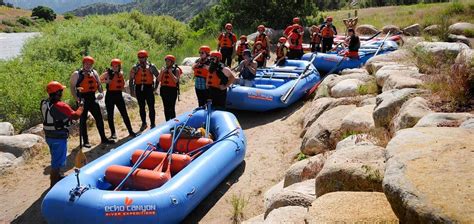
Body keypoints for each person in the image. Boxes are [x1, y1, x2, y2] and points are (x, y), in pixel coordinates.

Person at [42, 81, 83, 187]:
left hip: (49, 136)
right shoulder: (61, 105)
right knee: (56, 162)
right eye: (61, 91)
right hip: (58, 137)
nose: (62, 93)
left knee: (56, 158)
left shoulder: (44, 103)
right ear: (57, 93)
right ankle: (53, 184)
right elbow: (75, 116)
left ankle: (58, 176)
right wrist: (81, 107)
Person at [70, 56, 114, 148]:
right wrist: (76, 98)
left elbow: (98, 84)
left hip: (92, 98)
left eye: (90, 64)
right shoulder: (76, 74)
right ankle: (85, 141)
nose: (88, 66)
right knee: (83, 121)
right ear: (83, 64)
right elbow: (72, 87)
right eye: (86, 64)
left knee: (99, 118)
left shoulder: (94, 72)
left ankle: (103, 138)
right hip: (82, 99)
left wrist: (101, 92)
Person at [99, 58, 136, 139]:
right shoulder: (108, 73)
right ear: (111, 66)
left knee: (124, 114)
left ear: (119, 67)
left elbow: (123, 84)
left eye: (117, 66)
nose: (115, 67)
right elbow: (99, 79)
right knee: (110, 115)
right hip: (110, 95)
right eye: (113, 66)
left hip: (119, 95)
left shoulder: (120, 74)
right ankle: (113, 133)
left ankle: (130, 131)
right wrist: (106, 81)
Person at [129, 50, 159, 131]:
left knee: (151, 107)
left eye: (143, 57)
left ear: (146, 58)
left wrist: (155, 88)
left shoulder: (152, 66)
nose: (141, 59)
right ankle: (144, 123)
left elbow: (158, 77)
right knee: (141, 107)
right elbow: (131, 80)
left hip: (149, 88)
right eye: (140, 58)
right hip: (139, 89)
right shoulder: (135, 68)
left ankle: (152, 123)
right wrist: (132, 91)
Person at [158, 55, 181, 121]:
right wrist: (162, 72)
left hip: (172, 91)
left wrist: (170, 73)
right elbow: (158, 79)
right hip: (164, 90)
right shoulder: (163, 69)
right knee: (166, 108)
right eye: (166, 60)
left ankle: (173, 123)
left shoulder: (176, 70)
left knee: (171, 108)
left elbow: (176, 80)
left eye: (169, 61)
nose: (167, 62)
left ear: (172, 62)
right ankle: (167, 122)